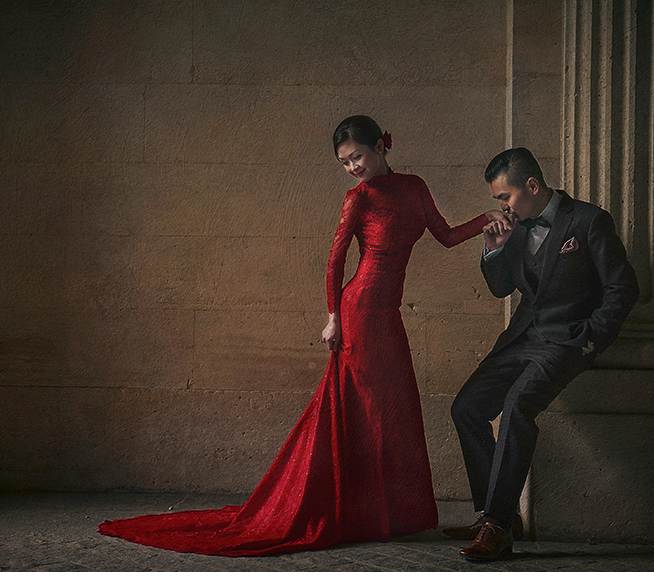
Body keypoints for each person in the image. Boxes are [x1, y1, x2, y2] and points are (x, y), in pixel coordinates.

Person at [97, 115, 512, 556]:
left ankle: (391, 516)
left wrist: (485, 221)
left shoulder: (414, 187)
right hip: (360, 311)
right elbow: (335, 261)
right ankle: (361, 515)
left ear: (380, 146)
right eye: (344, 162)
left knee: (396, 410)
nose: (352, 167)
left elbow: (446, 236)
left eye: (357, 157)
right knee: (367, 411)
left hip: (387, 315)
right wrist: (333, 316)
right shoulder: (358, 200)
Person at [445, 147, 639, 561]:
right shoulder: (514, 228)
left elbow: (623, 287)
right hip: (522, 339)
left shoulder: (588, 220)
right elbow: (501, 288)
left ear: (532, 185)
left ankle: (496, 529)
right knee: (466, 407)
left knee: (518, 405)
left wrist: (590, 339)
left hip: (566, 341)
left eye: (505, 196)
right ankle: (495, 516)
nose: (500, 206)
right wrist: (495, 248)